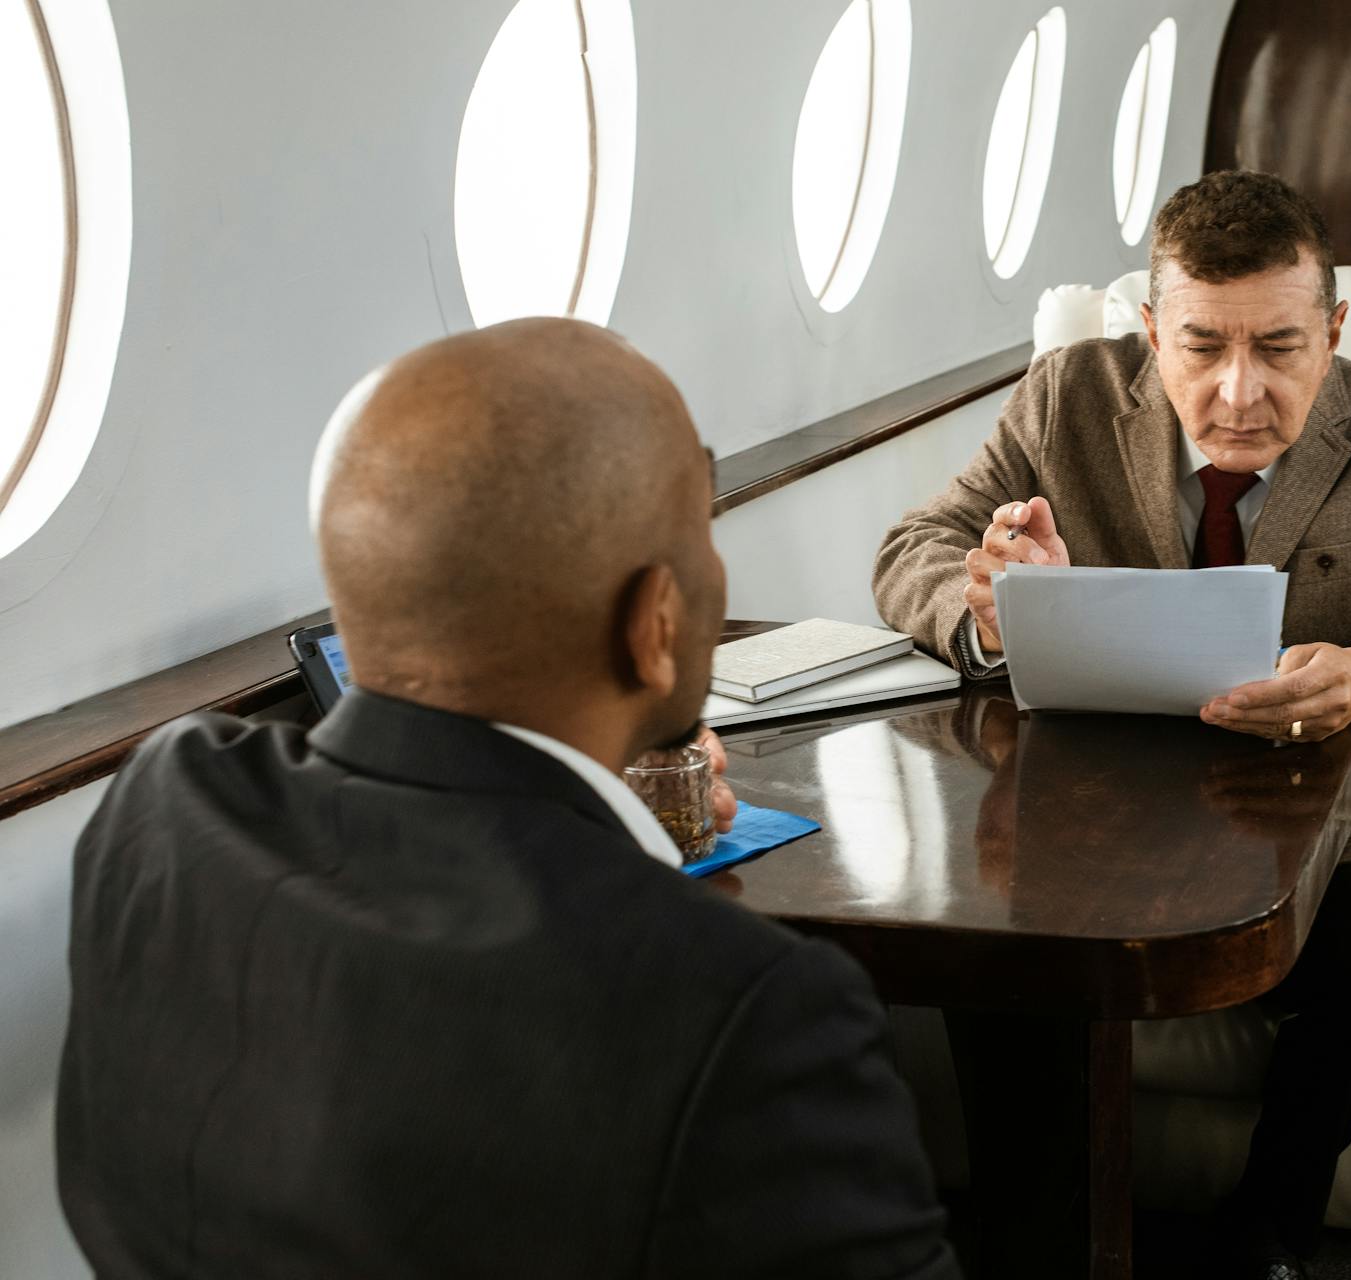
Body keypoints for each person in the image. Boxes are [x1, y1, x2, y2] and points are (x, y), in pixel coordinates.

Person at [58, 319, 960, 1279]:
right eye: (703, 529)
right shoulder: (746, 1017)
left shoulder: (162, 808)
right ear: (654, 626)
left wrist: (603, 838)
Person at [873, 171, 1351, 1278]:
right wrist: (988, 610)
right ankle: (1035, 1244)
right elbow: (914, 551)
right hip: (1082, 811)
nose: (1238, 392)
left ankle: (1267, 1232)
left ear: (1334, 330)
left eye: (1280, 348)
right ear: (1148, 331)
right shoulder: (1065, 395)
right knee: (1003, 960)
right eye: (1201, 347)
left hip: (1319, 817)